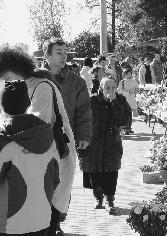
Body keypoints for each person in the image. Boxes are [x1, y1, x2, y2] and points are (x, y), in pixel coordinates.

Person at [0, 45, 77, 236]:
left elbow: (35, 129)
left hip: (49, 164)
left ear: (17, 70)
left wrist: (7, 134)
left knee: (47, 220)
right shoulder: (35, 83)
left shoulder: (40, 86)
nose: (7, 83)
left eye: (7, 78)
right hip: (44, 167)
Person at [43, 37, 92, 235]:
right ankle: (43, 223)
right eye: (58, 52)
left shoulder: (76, 82)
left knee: (63, 184)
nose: (64, 56)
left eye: (65, 52)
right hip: (40, 142)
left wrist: (84, 135)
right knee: (42, 183)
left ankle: (56, 224)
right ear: (47, 55)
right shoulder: (36, 79)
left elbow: (84, 112)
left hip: (65, 141)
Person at [0, 80, 59, 236]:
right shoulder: (47, 136)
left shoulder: (4, 141)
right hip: (42, 218)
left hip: (10, 223)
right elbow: (55, 178)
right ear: (28, 103)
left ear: (2, 105)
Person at [80, 77, 131, 214]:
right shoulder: (93, 101)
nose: (111, 90)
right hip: (94, 142)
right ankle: (98, 197)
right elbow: (82, 118)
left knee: (111, 171)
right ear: (101, 89)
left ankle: (110, 199)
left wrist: (114, 103)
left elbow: (125, 120)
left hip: (112, 143)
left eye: (113, 87)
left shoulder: (120, 101)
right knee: (94, 171)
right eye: (107, 88)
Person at [117, 70, 137, 134]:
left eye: (129, 74)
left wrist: (134, 91)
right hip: (124, 100)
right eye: (127, 74)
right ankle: (125, 129)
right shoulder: (122, 82)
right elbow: (119, 91)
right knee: (125, 114)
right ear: (124, 75)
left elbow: (137, 89)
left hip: (132, 100)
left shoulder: (134, 81)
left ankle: (129, 128)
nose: (128, 75)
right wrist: (127, 92)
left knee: (130, 115)